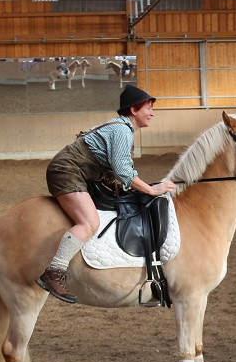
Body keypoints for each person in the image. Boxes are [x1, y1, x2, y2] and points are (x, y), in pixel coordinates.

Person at [37, 84, 176, 303]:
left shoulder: (122, 128)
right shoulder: (122, 131)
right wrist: (151, 189)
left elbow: (122, 173)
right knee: (89, 222)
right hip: (67, 172)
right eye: (148, 107)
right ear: (133, 110)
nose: (152, 113)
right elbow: (122, 171)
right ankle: (54, 272)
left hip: (77, 172)